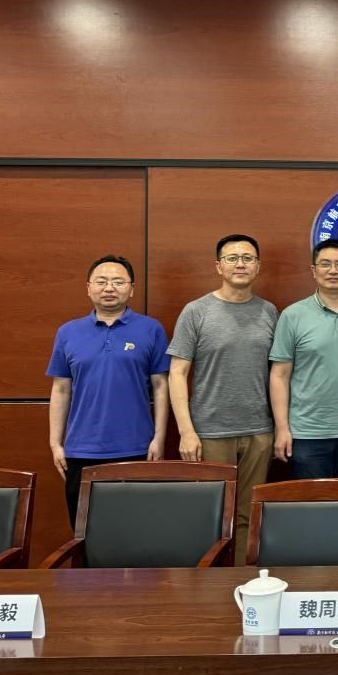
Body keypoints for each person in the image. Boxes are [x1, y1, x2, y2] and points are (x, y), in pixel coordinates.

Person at [167, 234, 277, 564]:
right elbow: (177, 373)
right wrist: (186, 431)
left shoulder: (269, 311)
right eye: (232, 258)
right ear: (219, 266)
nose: (240, 264)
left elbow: (279, 373)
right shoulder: (196, 311)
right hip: (210, 433)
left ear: (258, 266)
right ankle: (206, 585)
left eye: (247, 258)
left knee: (248, 516)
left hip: (259, 432)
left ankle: (241, 579)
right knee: (210, 515)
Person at [47, 255, 170, 526]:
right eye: (101, 281)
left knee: (135, 530)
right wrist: (56, 443)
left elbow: (161, 386)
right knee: (84, 532)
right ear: (88, 287)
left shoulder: (151, 329)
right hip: (81, 451)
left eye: (118, 281)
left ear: (132, 289)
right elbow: (61, 390)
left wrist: (159, 437)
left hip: (136, 448)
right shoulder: (68, 332)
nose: (109, 288)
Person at [269, 238, 338, 478]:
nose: (333, 270)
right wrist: (282, 428)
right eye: (325, 264)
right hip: (306, 434)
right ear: (314, 270)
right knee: (312, 501)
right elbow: (279, 375)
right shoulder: (293, 315)